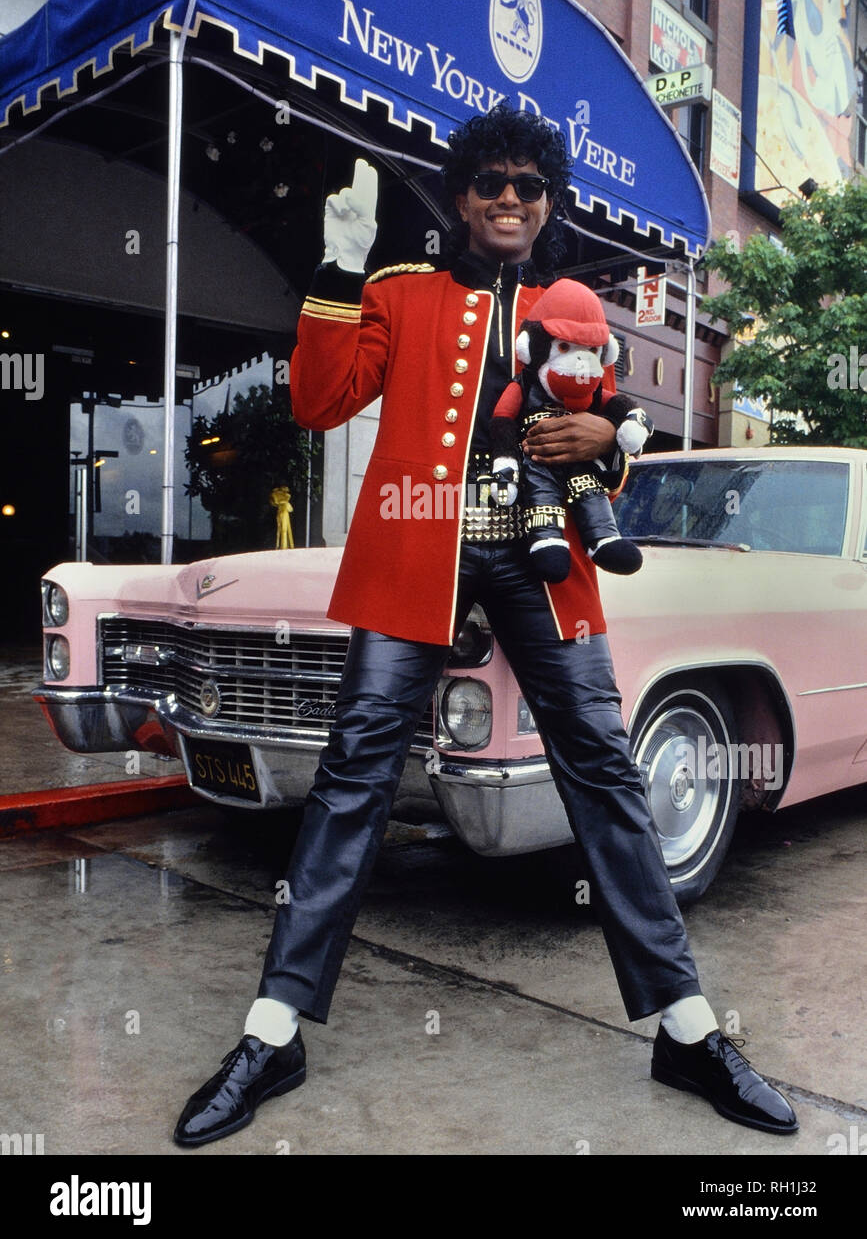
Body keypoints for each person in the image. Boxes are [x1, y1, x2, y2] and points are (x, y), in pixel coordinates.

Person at [174, 102, 797, 1147]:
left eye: (529, 188)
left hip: (542, 561)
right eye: (490, 184)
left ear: (548, 202)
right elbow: (322, 400)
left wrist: (607, 433)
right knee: (356, 770)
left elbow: (611, 444)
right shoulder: (405, 293)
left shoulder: (577, 306)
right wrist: (334, 268)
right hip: (420, 549)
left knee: (603, 765)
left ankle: (686, 1029)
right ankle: (274, 1028)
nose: (510, 201)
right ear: (461, 196)